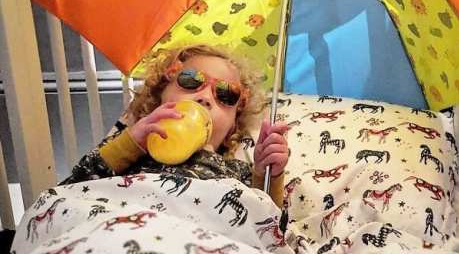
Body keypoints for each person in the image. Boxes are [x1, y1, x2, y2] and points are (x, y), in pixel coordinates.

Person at [60, 45, 289, 206]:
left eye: (226, 94)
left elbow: (266, 229)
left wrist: (267, 175)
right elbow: (68, 193)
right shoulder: (130, 156)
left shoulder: (236, 172)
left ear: (232, 127)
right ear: (159, 97)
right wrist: (129, 144)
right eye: (191, 80)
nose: (205, 98)